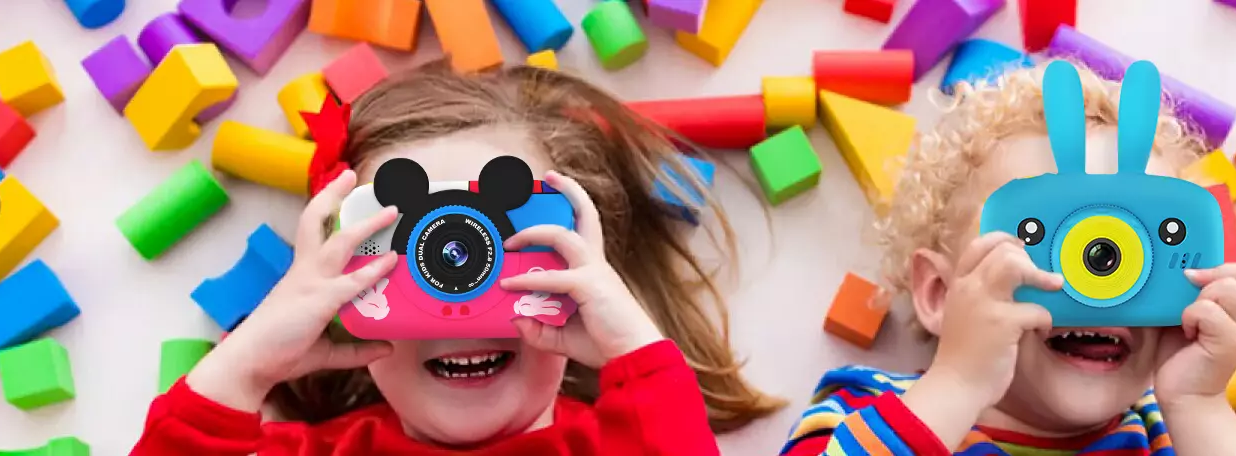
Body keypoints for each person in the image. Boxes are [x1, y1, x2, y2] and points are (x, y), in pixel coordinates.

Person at [132, 61, 782, 455]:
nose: (456, 282)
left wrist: (637, 358)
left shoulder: (630, 443)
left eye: (499, 238)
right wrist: (248, 366)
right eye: (407, 244)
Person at [780, 62, 1236, 456]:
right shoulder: (869, 413)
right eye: (1043, 235)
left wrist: (1201, 406)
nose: (1101, 277)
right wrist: (957, 383)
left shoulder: (1175, 436)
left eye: (1141, 242)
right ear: (940, 294)